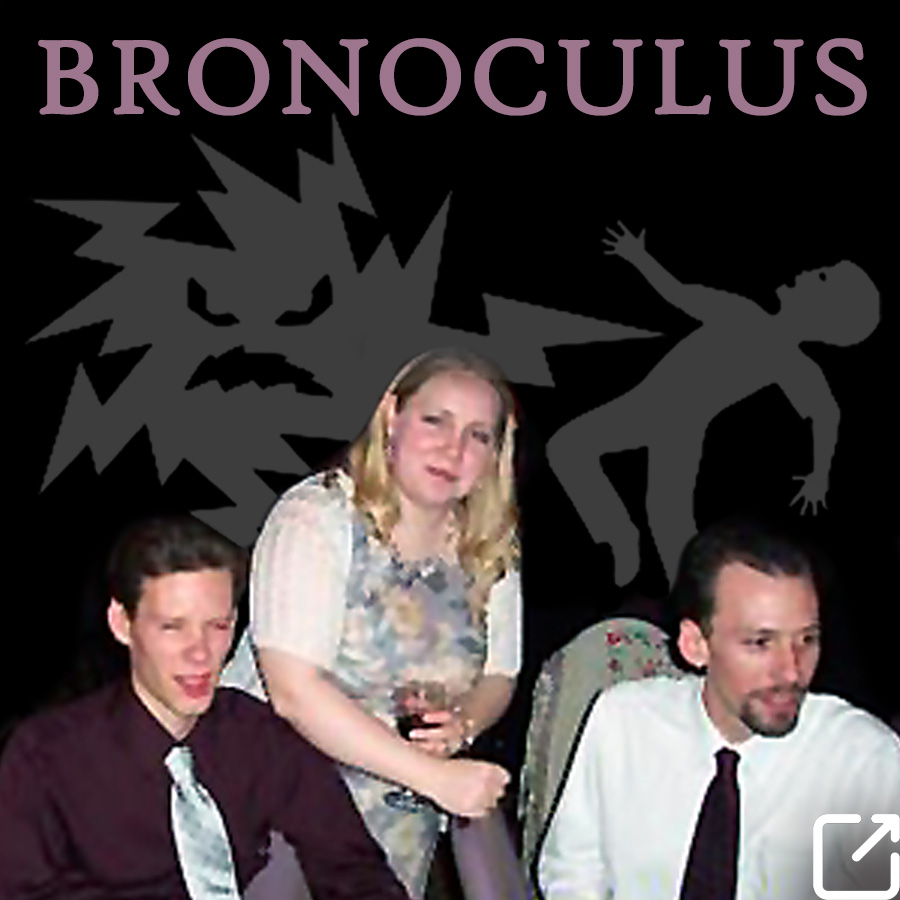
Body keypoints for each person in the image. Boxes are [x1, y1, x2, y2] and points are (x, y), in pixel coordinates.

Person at [222, 346, 522, 897]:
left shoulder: (489, 544)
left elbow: (500, 675)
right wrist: (434, 777)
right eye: (435, 421)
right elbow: (293, 694)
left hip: (398, 812)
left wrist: (463, 724)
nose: (453, 448)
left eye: (478, 435)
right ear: (391, 415)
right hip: (272, 799)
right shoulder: (316, 516)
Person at [0, 516, 409, 900]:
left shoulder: (260, 736)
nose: (200, 654)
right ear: (123, 624)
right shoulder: (45, 756)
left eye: (218, 626)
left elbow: (354, 867)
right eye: (172, 627)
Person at [538, 518, 900, 899]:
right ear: (695, 645)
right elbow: (571, 873)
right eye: (761, 643)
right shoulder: (623, 724)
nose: (792, 671)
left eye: (807, 640)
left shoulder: (862, 762)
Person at [546, 222, 880, 585]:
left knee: (666, 517)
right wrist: (639, 258)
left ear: (823, 314)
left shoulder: (787, 359)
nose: (809, 273)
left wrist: (819, 475)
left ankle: (690, 596)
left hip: (680, 424)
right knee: (569, 447)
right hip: (645, 404)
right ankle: (619, 534)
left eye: (822, 278)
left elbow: (826, 411)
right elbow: (680, 294)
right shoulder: (744, 313)